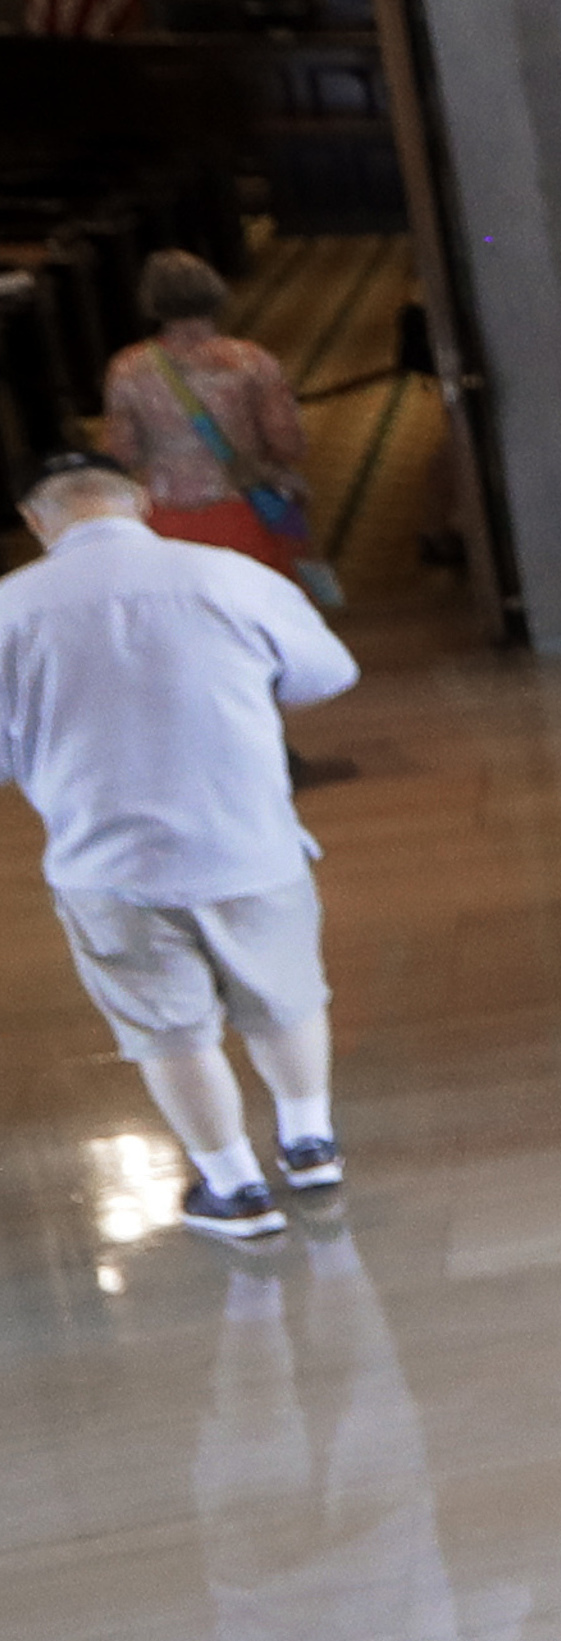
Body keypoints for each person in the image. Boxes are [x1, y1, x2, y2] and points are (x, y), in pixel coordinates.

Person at [0, 454, 363, 1243]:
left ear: (36, 520)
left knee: (169, 1029)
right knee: (285, 996)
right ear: (141, 501)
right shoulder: (228, 576)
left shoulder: (8, 608)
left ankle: (234, 1189)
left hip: (109, 863)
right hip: (249, 839)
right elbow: (326, 673)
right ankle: (310, 1144)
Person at [95, 250, 319, 577]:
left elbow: (119, 456)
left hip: (165, 520)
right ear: (214, 292)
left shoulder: (127, 368)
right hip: (245, 510)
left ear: (151, 301)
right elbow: (290, 446)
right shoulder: (252, 361)